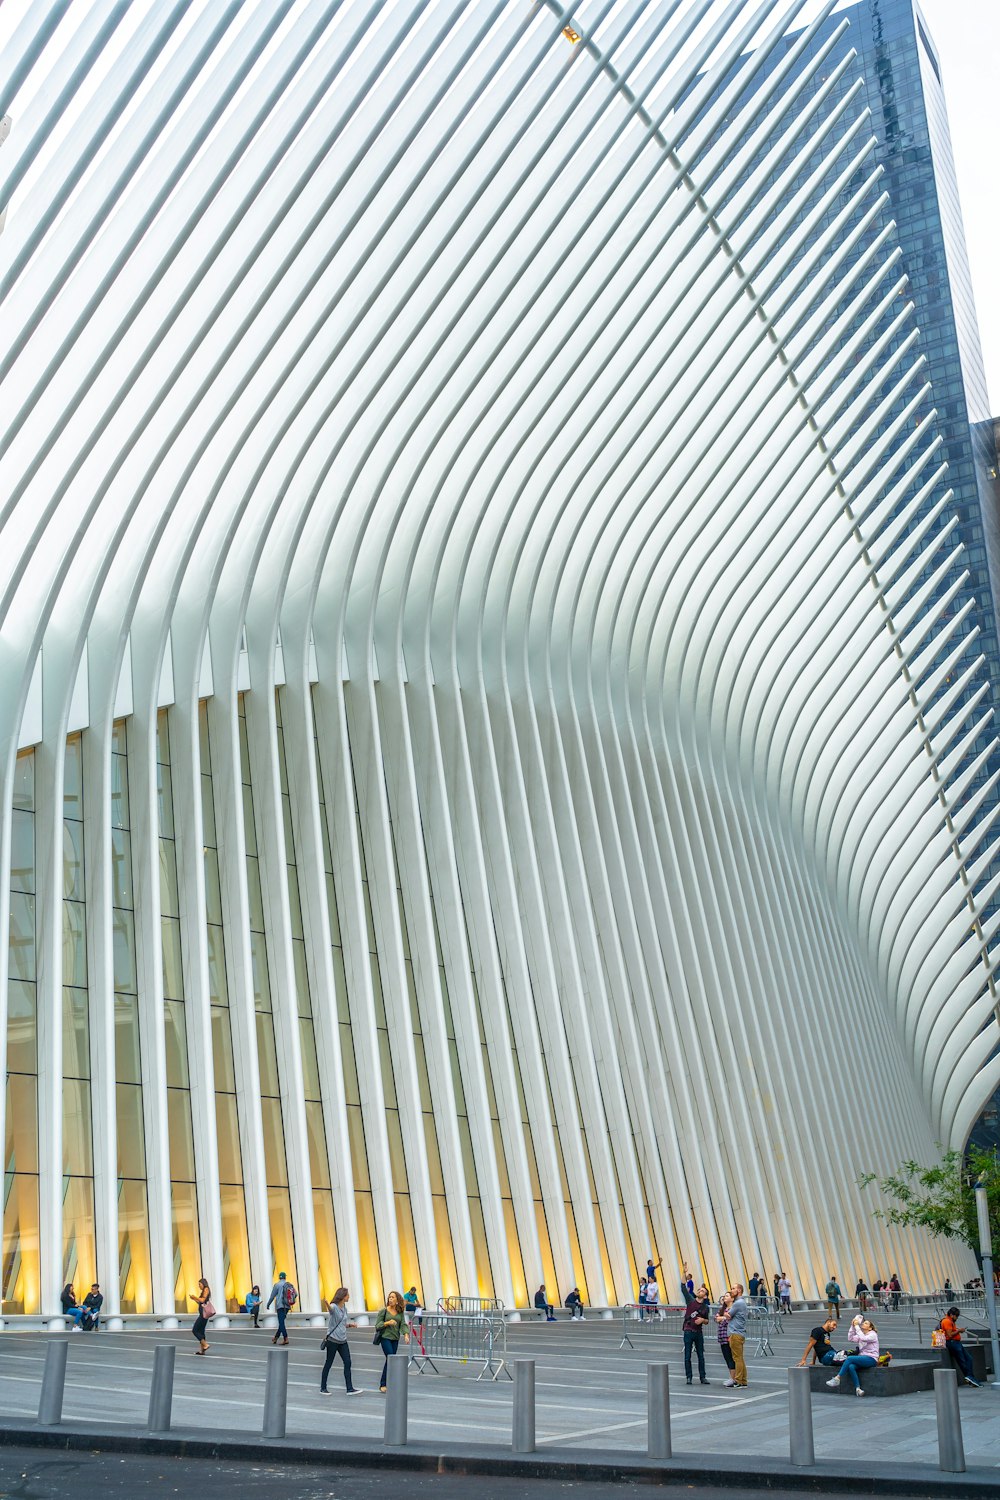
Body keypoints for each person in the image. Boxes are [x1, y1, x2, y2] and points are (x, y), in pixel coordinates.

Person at [320, 1286, 364, 1395]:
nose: (349, 1296)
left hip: (343, 1340)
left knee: (348, 1362)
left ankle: (349, 1388)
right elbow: (330, 1310)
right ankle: (323, 1388)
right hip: (333, 1340)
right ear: (343, 1296)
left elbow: (342, 1323)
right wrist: (326, 1303)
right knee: (328, 1363)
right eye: (348, 1295)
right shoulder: (334, 1307)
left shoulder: (345, 1308)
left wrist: (350, 1325)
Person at [826, 1315, 879, 1395]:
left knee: (849, 1359)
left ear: (870, 1328)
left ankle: (837, 1378)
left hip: (871, 1359)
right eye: (863, 1323)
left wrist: (857, 1326)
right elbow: (850, 1338)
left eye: (866, 1323)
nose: (863, 1324)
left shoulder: (873, 1334)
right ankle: (858, 1389)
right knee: (851, 1366)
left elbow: (864, 1338)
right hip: (863, 1358)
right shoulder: (861, 1335)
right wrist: (852, 1326)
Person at [376, 1290, 409, 1393]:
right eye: (389, 1297)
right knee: (390, 1359)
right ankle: (383, 1384)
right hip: (385, 1338)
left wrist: (406, 1335)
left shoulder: (400, 1312)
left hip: (395, 1339)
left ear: (397, 1300)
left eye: (393, 1297)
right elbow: (377, 1325)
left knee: (390, 1361)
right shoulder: (383, 1311)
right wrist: (387, 1323)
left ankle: (389, 1383)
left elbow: (403, 1324)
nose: (390, 1299)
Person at [939, 1307, 980, 1387]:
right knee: (962, 1361)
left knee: (968, 1359)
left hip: (956, 1343)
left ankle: (970, 1377)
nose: (957, 1318)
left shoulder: (950, 1321)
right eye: (956, 1316)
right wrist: (959, 1331)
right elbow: (950, 1335)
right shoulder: (947, 1321)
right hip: (952, 1343)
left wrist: (958, 1330)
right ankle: (970, 1377)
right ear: (951, 1315)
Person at [682, 1284, 711, 1385]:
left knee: (701, 1356)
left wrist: (703, 1320)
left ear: (705, 1296)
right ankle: (689, 1377)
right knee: (687, 1356)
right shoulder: (690, 1301)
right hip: (688, 1331)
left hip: (698, 1333)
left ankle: (702, 1377)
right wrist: (684, 1273)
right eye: (699, 1290)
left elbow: (707, 1320)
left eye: (702, 1291)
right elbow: (683, 1289)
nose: (699, 1291)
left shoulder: (705, 1307)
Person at [725, 1284, 749, 1388]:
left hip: (735, 1333)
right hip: (740, 1333)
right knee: (740, 1358)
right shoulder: (742, 1302)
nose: (731, 1290)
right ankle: (743, 1380)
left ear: (739, 1290)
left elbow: (729, 1315)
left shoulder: (738, 1303)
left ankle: (738, 1380)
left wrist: (725, 1314)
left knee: (737, 1358)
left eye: (733, 1288)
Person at [267, 1271, 297, 1344]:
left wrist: (268, 1304)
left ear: (279, 1277)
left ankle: (285, 1338)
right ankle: (276, 1338)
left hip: (280, 1306)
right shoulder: (289, 1285)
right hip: (287, 1306)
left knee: (281, 1323)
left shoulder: (277, 1285)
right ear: (285, 1277)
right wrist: (289, 1300)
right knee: (281, 1322)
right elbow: (296, 1294)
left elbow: (272, 1296)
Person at [715, 1292, 737, 1382]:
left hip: (729, 1336)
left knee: (731, 1357)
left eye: (727, 1296)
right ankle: (731, 1377)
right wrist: (722, 1317)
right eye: (724, 1296)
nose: (724, 1297)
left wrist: (722, 1318)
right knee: (727, 1357)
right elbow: (716, 1318)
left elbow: (728, 1321)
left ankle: (733, 1378)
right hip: (722, 1336)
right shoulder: (723, 1309)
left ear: (732, 1299)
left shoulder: (733, 1309)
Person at [191, 1278, 213, 1355]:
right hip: (203, 1314)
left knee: (195, 1330)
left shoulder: (206, 1289)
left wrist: (195, 1297)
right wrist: (194, 1299)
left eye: (199, 1284)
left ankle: (205, 1345)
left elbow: (203, 1300)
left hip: (204, 1314)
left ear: (203, 1284)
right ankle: (202, 1350)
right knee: (201, 1331)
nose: (199, 1286)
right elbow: (200, 1302)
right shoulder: (203, 1291)